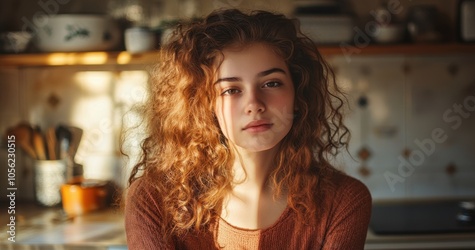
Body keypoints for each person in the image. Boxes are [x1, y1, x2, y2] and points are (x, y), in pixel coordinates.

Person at [124, 8, 372, 250]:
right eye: (231, 90)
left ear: (298, 95)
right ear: (205, 105)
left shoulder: (344, 201)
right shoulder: (152, 200)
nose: (254, 104)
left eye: (272, 83)